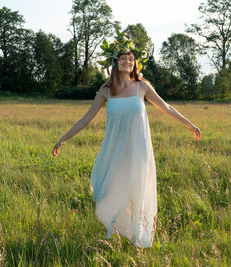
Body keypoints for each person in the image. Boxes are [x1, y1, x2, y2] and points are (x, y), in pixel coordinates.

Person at [52, 34, 201, 248]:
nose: (128, 61)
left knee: (136, 192)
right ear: (115, 62)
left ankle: (136, 237)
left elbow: (166, 107)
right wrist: (63, 139)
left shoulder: (142, 87)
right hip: (115, 152)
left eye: (131, 58)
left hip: (138, 152)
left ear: (135, 64)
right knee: (109, 192)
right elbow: (86, 119)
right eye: (123, 58)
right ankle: (116, 229)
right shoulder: (106, 91)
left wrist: (190, 124)